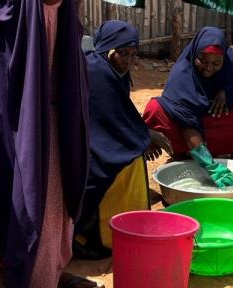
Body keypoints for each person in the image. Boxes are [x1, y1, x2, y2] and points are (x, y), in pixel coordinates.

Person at [0, 0, 99, 287]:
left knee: (14, 185)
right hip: (34, 115)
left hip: (15, 108)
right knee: (35, 195)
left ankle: (23, 264)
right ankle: (37, 274)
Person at [73, 20, 172, 259]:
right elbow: (107, 122)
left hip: (99, 138)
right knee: (126, 161)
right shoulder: (96, 71)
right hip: (86, 148)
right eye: (122, 53)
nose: (128, 60)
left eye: (132, 54)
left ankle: (128, 223)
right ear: (108, 49)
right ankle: (100, 236)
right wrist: (144, 136)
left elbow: (117, 116)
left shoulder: (112, 71)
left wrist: (139, 136)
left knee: (133, 152)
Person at [142, 26, 233, 189]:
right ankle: (184, 155)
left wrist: (228, 92)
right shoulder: (182, 75)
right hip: (188, 131)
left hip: (216, 121)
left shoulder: (232, 61)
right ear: (195, 54)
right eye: (203, 61)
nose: (209, 68)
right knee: (155, 110)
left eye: (216, 63)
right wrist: (211, 166)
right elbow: (187, 124)